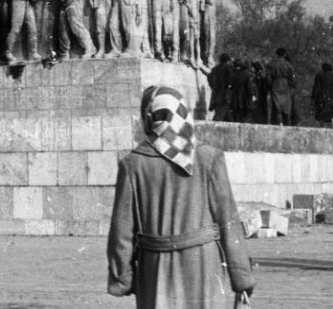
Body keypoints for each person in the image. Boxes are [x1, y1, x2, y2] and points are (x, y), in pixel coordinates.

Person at [107, 85, 254, 307]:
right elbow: (228, 222)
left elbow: (122, 230)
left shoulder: (133, 163)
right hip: (203, 264)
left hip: (155, 267)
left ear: (149, 117)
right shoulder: (208, 158)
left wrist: (123, 278)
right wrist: (241, 278)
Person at [269, 47, 296, 126]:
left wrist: (270, 84)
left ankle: (279, 122)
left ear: (277, 54)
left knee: (277, 104)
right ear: (284, 55)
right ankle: (287, 123)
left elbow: (269, 76)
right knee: (286, 105)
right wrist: (292, 85)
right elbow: (291, 77)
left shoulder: (272, 64)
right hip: (285, 85)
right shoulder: (288, 65)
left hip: (276, 84)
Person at [311, 63, 333, 129]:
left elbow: (316, 87)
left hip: (322, 94)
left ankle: (321, 129)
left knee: (321, 111)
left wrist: (313, 98)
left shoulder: (319, 75)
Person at [206, 53, 234, 122]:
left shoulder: (215, 69)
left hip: (216, 94)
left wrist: (213, 86)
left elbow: (210, 79)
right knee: (220, 114)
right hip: (225, 94)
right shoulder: (229, 68)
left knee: (223, 113)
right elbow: (231, 80)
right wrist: (230, 86)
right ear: (228, 60)